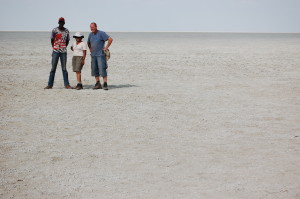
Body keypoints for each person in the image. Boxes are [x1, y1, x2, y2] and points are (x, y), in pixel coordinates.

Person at [44, 17, 72, 89]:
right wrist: (54, 47)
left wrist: (63, 47)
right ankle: (50, 85)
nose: (61, 23)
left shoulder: (66, 31)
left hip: (63, 52)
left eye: (62, 22)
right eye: (60, 22)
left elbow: (67, 40)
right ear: (58, 22)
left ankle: (67, 84)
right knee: (53, 68)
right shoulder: (54, 30)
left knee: (64, 68)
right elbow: (52, 39)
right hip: (55, 51)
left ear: (64, 23)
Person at [87, 22, 113, 90]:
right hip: (93, 55)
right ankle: (98, 83)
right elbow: (88, 42)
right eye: (90, 27)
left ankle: (105, 83)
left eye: (92, 27)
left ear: (96, 27)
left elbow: (110, 39)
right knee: (95, 70)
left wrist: (106, 47)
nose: (91, 28)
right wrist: (90, 49)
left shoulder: (101, 33)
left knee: (102, 69)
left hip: (100, 55)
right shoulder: (90, 34)